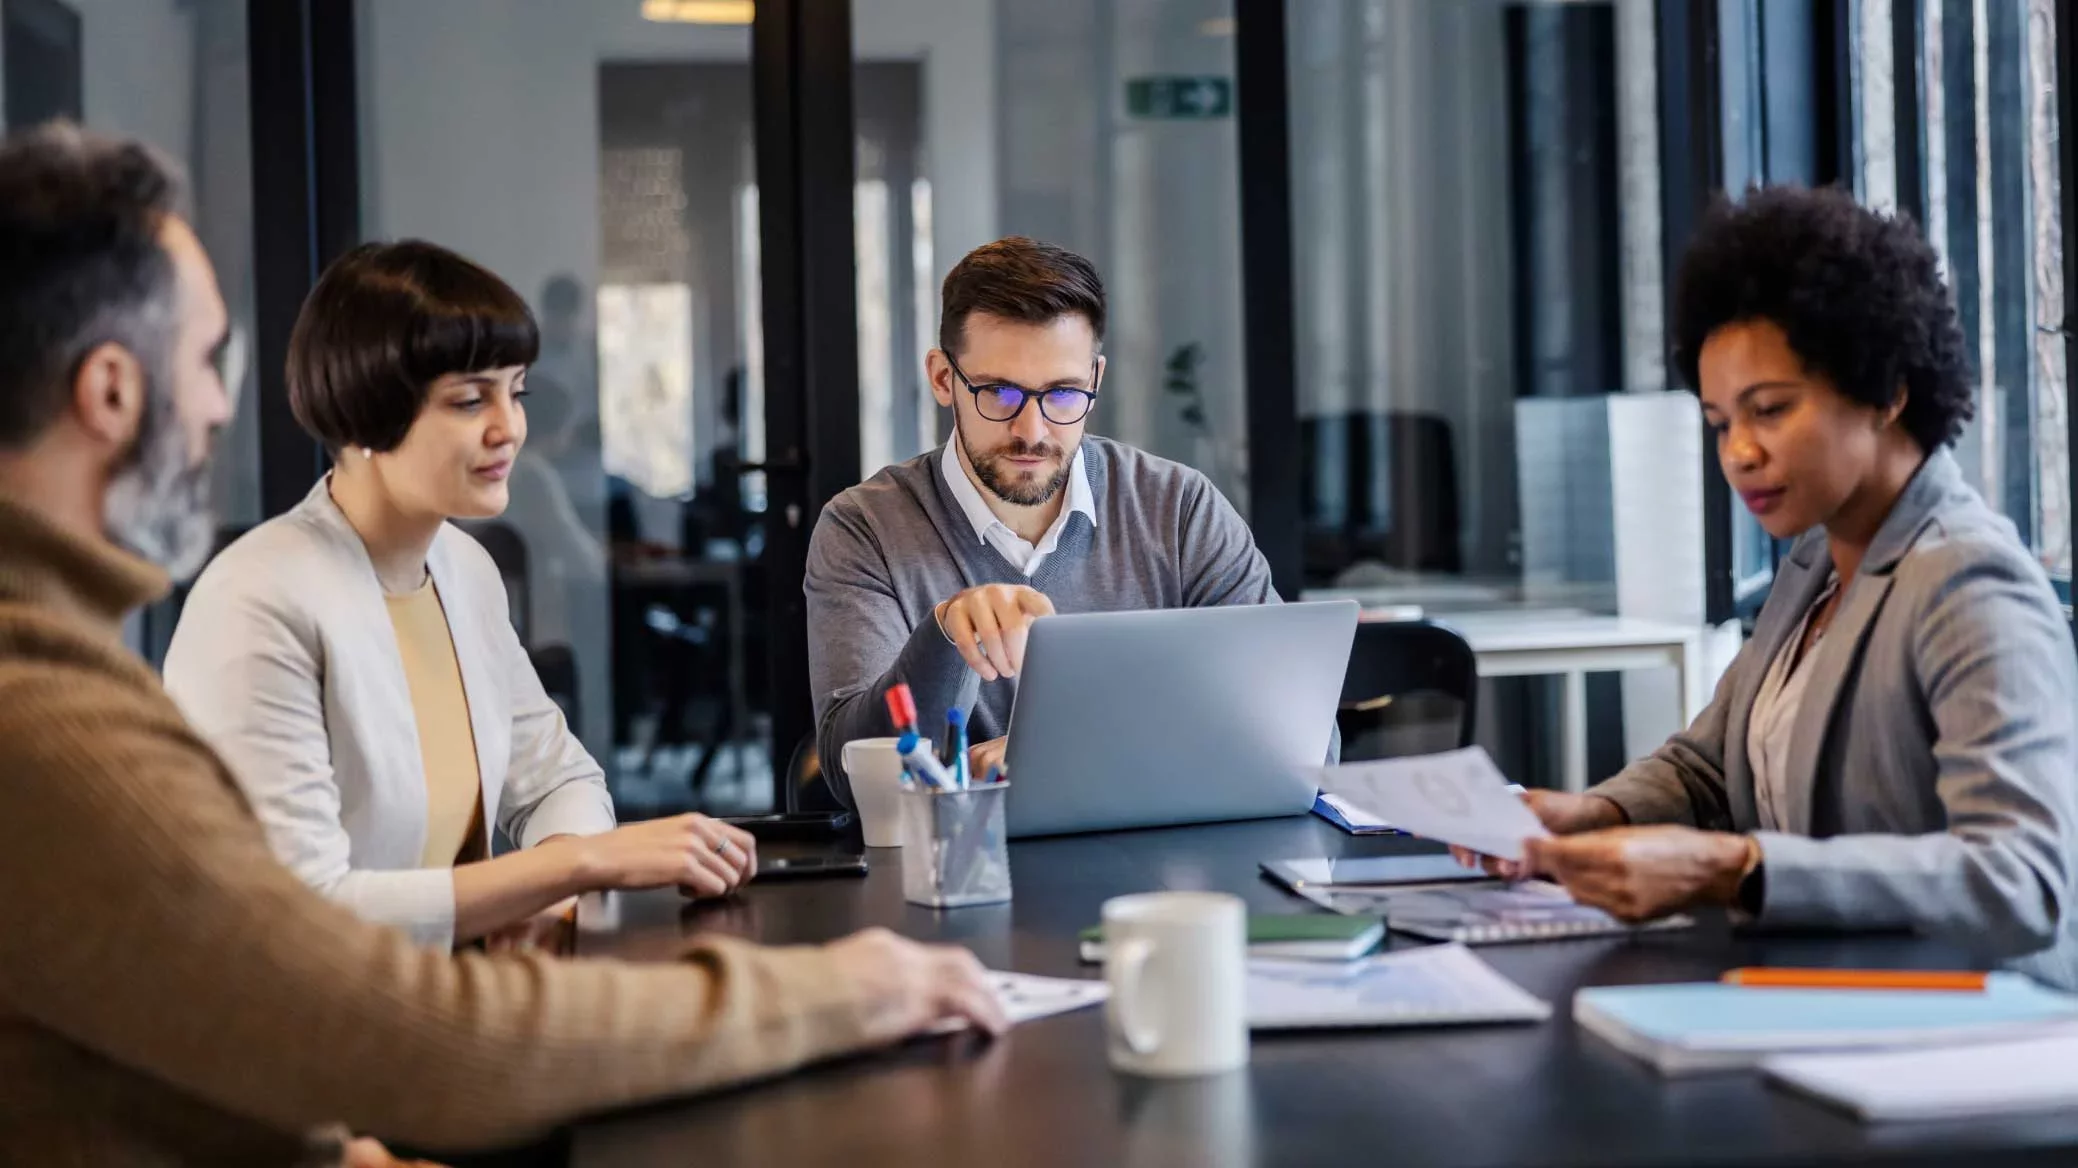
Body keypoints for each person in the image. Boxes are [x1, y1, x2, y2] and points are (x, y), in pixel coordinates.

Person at [0, 122, 1003, 1165]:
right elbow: (368, 1009)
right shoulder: (52, 711)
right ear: (111, 389)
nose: (218, 406)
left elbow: (180, 1023)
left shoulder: (456, 572)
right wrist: (846, 989)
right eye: (208, 360)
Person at [1456, 185, 2078, 982]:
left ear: (1887, 390)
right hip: (1818, 1000)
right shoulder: (1818, 563)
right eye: (1720, 423)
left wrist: (1736, 869)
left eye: (1770, 410)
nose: (1738, 453)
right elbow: (1709, 769)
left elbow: (2021, 880)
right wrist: (1591, 815)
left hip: (1966, 1039)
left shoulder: (1967, 581)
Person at [160, 241, 733, 951]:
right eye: (470, 400)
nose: (510, 427)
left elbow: (560, 780)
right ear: (367, 413)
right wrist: (573, 866)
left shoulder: (463, 568)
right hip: (313, 1031)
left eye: (515, 391)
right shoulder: (257, 596)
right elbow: (300, 909)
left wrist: (546, 898)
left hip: (450, 992)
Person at [807, 236, 1286, 804]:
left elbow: (1296, 741)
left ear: (1096, 379)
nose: (1032, 431)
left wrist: (1065, 754)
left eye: (1062, 394)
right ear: (942, 379)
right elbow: (850, 775)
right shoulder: (864, 527)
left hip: (1158, 870)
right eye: (999, 393)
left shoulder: (1180, 510)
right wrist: (943, 634)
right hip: (963, 873)